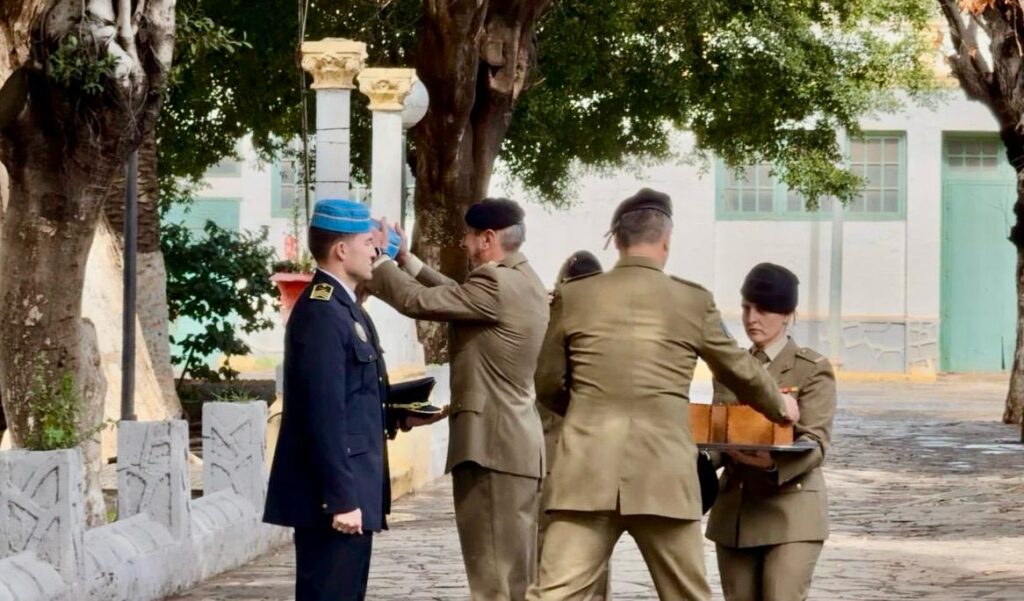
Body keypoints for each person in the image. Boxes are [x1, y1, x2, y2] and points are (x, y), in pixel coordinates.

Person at [526, 188, 800, 601]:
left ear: (617, 240)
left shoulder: (575, 296)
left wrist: (584, 410)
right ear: (666, 241)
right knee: (687, 595)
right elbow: (739, 370)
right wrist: (781, 406)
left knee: (553, 595)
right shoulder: (692, 301)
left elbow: (547, 381)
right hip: (664, 476)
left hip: (585, 474)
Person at [368, 198, 548, 601]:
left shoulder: (494, 284)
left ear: (487, 238)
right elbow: (458, 294)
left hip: (490, 449)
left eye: (468, 236)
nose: (464, 244)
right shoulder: (525, 280)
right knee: (517, 577)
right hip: (517, 447)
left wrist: (378, 262)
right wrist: (407, 261)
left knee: (492, 581)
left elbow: (416, 302)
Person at [262, 198, 392, 601]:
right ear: (341, 250)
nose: (375, 251)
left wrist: (399, 411)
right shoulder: (322, 312)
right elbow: (323, 412)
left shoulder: (344, 306)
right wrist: (341, 499)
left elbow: (352, 393)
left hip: (352, 486)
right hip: (334, 498)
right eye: (368, 243)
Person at [706, 263, 837, 601]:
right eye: (746, 307)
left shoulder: (812, 369)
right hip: (737, 514)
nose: (752, 318)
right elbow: (721, 432)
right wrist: (701, 458)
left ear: (787, 314)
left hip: (790, 510)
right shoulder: (731, 368)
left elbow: (816, 442)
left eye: (763, 310)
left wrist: (772, 462)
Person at [538, 251, 609, 600]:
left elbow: (547, 381)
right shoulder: (614, 321)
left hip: (556, 447)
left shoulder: (553, 316)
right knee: (595, 548)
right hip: (600, 451)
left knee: (549, 547)